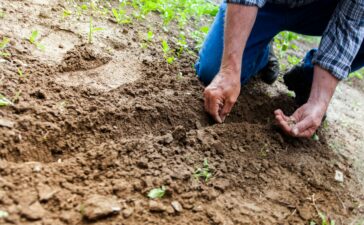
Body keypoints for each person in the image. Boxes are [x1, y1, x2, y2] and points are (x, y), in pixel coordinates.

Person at [195, 0, 364, 138]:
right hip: (267, 5)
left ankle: (309, 78)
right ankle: (262, 51)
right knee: (213, 71)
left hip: (322, 10)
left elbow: (350, 25)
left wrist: (318, 101)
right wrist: (228, 70)